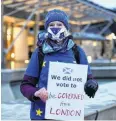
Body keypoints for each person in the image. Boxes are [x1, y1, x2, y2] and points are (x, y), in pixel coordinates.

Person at [20, 9, 98, 120]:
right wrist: (36, 93)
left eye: (59, 24)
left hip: (69, 113)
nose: (55, 27)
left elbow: (90, 79)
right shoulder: (40, 52)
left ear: (66, 27)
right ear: (47, 28)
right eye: (51, 24)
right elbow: (25, 85)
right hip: (42, 115)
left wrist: (92, 85)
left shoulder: (77, 51)